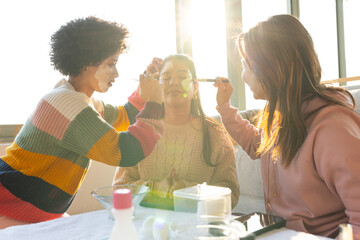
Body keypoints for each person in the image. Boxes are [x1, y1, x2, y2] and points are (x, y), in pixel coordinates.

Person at [0, 16, 164, 228]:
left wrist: (146, 88)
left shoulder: (77, 100)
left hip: (27, 207)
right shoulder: (68, 105)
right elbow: (125, 151)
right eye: (111, 64)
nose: (117, 73)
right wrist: (155, 103)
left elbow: (124, 117)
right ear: (86, 62)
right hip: (11, 206)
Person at [214, 14, 360, 239]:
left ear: (273, 68)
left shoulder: (332, 130)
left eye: (247, 65)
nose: (242, 76)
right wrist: (225, 108)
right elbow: (256, 146)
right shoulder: (280, 118)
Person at [113, 54, 240, 208]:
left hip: (197, 227)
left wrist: (188, 191)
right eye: (166, 78)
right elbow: (119, 188)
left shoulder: (215, 135)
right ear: (156, 87)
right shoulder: (141, 131)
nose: (174, 83)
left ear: (195, 88)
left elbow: (231, 194)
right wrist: (156, 188)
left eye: (182, 77)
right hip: (145, 226)